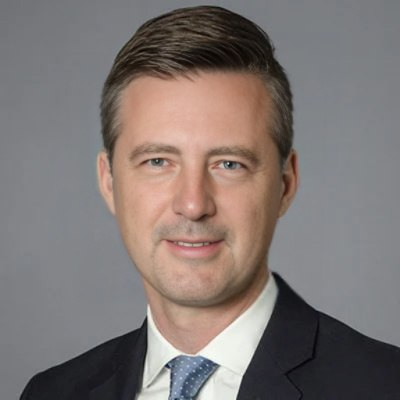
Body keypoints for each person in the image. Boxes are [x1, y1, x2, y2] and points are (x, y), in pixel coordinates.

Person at [20, 5, 400, 400]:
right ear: (109, 181)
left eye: (229, 164)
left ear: (285, 184)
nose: (193, 204)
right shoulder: (52, 393)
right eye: (158, 162)